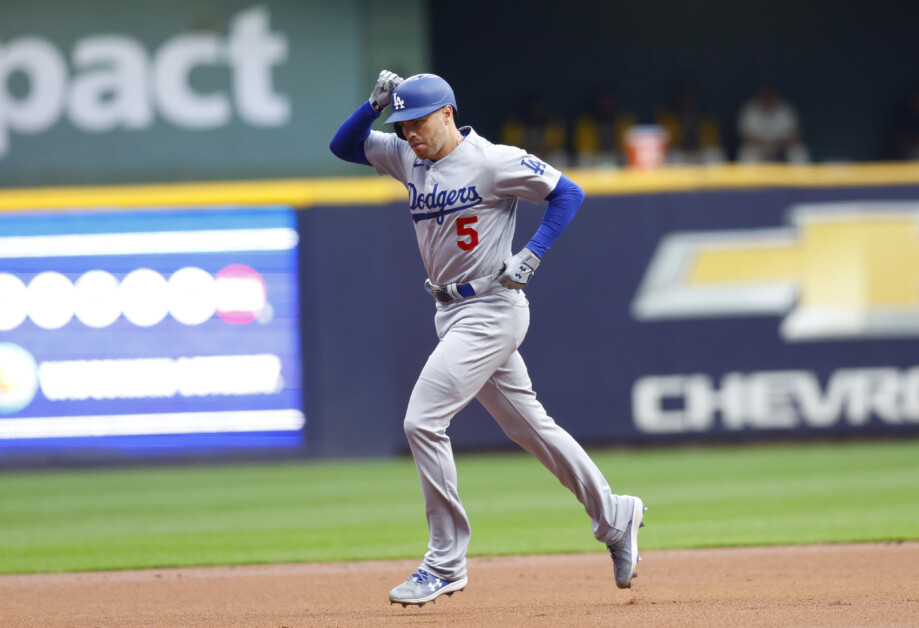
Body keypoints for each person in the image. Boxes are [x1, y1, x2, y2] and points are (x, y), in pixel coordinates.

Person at [330, 71, 646, 607]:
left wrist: (535, 250)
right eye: (402, 124)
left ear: (448, 113)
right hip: (449, 310)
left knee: (422, 420)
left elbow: (568, 192)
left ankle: (445, 562)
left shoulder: (493, 160)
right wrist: (372, 105)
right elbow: (344, 147)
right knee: (533, 429)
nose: (409, 134)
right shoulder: (409, 157)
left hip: (491, 308)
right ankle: (615, 515)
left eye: (418, 122)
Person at [655, 80, 726, 165]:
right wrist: (684, 128)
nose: (685, 100)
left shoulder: (705, 117)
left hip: (701, 155)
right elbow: (668, 145)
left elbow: (711, 142)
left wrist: (694, 126)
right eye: (681, 97)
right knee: (673, 155)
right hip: (681, 156)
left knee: (715, 153)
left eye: (687, 96)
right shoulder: (666, 117)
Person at [736, 83, 810, 163]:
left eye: (769, 96)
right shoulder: (750, 110)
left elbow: (793, 134)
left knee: (798, 151)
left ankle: (801, 176)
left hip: (782, 147)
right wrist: (764, 147)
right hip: (759, 148)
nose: (767, 99)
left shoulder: (785, 109)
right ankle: (749, 176)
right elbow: (746, 137)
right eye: (764, 96)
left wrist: (778, 146)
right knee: (747, 153)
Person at [572, 86, 637, 168]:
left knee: (628, 158)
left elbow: (629, 145)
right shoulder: (587, 122)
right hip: (595, 158)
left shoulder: (624, 120)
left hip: (617, 157)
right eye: (603, 103)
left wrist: (617, 149)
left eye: (610, 102)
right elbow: (584, 149)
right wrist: (601, 151)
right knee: (583, 159)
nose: (606, 107)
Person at [499, 94, 570, 166]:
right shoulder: (514, 124)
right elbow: (510, 146)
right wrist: (530, 151)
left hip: (546, 157)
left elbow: (556, 146)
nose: (536, 110)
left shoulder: (553, 124)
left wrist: (541, 151)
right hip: (522, 157)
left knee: (560, 156)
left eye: (538, 107)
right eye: (533, 107)